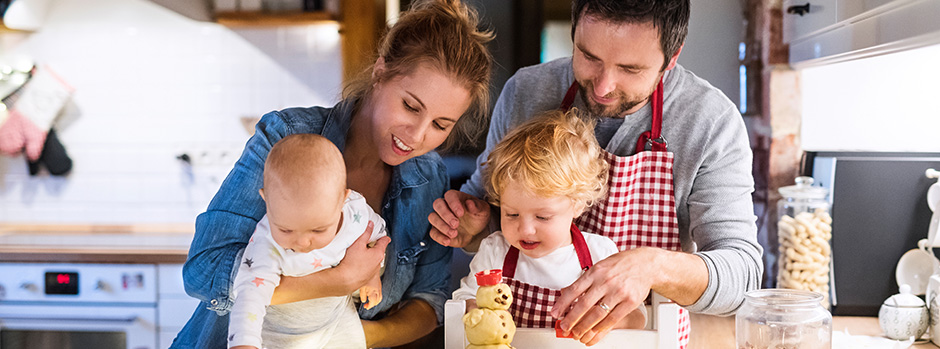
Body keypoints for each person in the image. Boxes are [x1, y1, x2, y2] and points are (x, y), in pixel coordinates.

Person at [429, 0, 763, 345]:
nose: (603, 87)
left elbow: (743, 274)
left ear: (672, 57)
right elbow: (487, 206)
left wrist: (651, 267)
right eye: (588, 57)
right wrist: (471, 225)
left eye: (630, 69)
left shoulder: (710, 121)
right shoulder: (525, 92)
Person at [171, 0, 493, 347]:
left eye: (440, 125)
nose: (416, 136)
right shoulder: (286, 136)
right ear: (380, 72)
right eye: (410, 106)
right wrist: (336, 281)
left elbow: (430, 300)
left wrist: (346, 337)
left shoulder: (429, 177)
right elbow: (203, 271)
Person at [451, 109, 647, 331]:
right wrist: (477, 311)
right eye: (511, 214)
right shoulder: (495, 251)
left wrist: (605, 321)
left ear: (578, 204)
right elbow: (464, 298)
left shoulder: (600, 254)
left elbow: (636, 316)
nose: (525, 229)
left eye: (542, 217)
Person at [228, 134, 387, 349]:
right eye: (285, 229)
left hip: (339, 322)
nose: (302, 243)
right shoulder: (267, 243)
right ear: (267, 200)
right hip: (282, 336)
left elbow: (378, 237)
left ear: (343, 200)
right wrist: (244, 344)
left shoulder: (355, 213)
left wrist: (370, 276)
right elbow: (249, 297)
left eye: (318, 229)